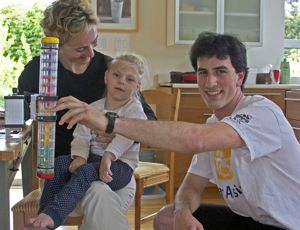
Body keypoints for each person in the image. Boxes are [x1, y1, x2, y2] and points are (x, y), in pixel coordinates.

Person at [54, 32, 300, 230]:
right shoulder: (214, 124)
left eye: (221, 71)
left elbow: (194, 140)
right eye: (203, 72)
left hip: (285, 224)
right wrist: (182, 212)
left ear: (240, 77)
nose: (210, 82)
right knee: (166, 219)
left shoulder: (262, 112)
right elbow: (191, 186)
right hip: (247, 219)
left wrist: (108, 122)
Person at [18, 0, 155, 229]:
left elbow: (149, 124)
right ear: (57, 45)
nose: (91, 53)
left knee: (97, 189)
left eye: (94, 43)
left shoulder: (111, 71)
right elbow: (19, 115)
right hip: (64, 172)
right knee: (93, 189)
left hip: (112, 169)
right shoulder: (39, 71)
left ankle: (47, 219)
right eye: (81, 48)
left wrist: (115, 129)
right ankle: (47, 217)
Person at [28, 53, 147, 229]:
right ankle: (43, 216)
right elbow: (81, 134)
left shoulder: (134, 109)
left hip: (120, 167)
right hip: (92, 160)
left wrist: (108, 155)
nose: (121, 81)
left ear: (138, 85)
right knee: (60, 163)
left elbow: (128, 136)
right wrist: (80, 157)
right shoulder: (94, 107)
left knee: (85, 172)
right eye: (116, 75)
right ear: (106, 77)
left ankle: (54, 214)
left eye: (130, 79)